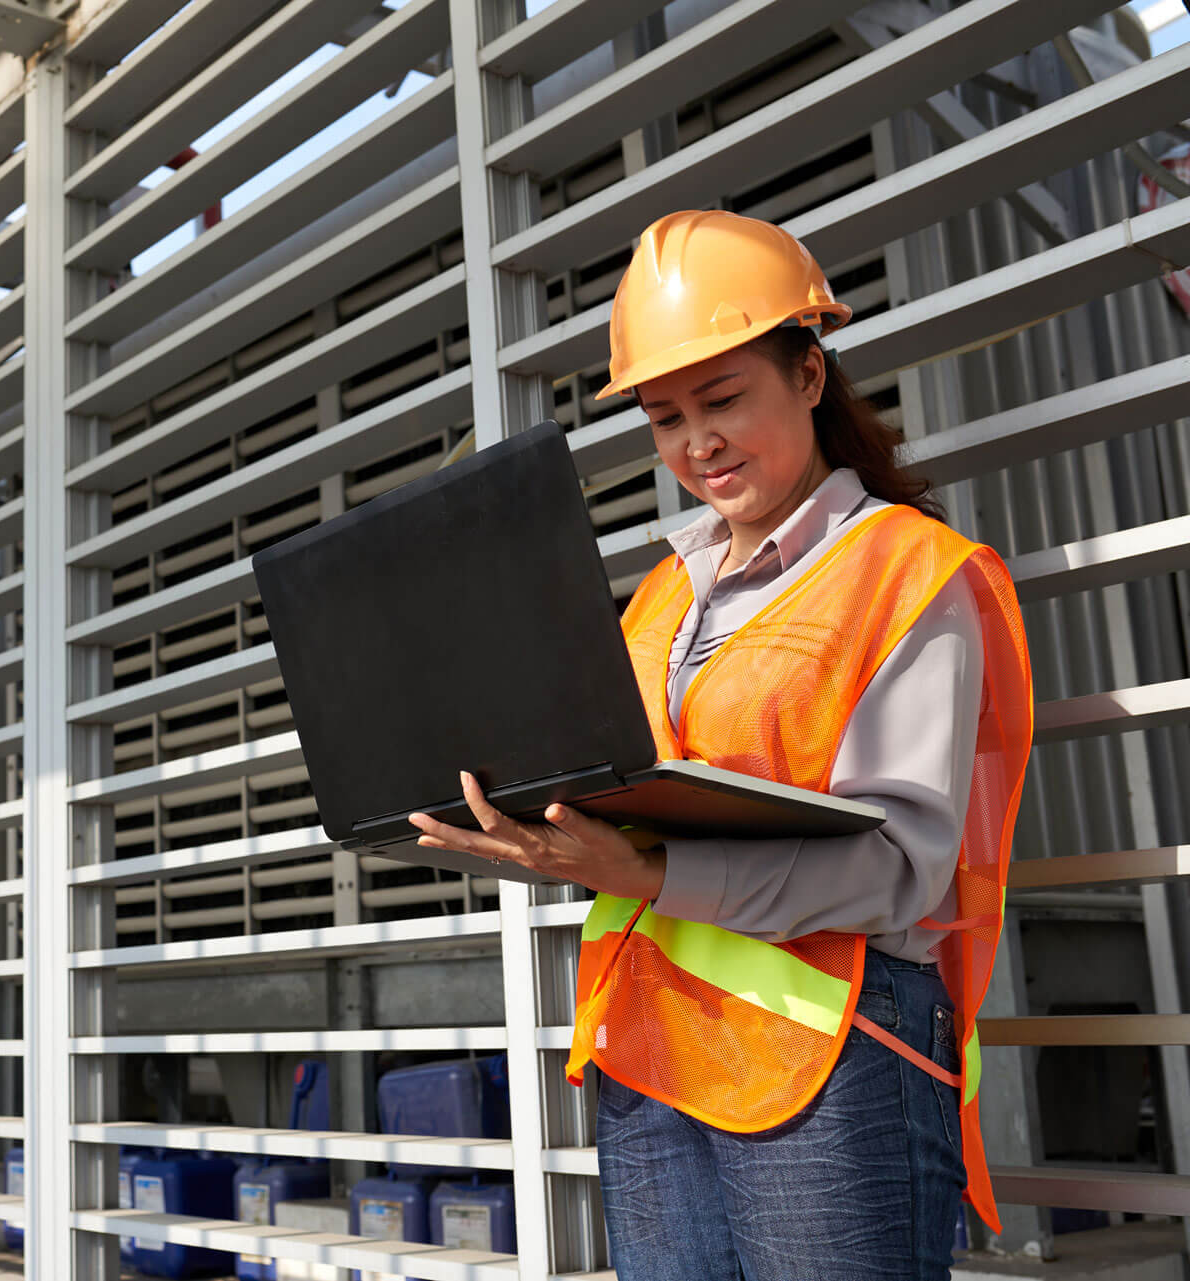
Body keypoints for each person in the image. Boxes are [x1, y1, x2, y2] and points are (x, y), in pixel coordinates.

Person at [406, 210, 1034, 1280]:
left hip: (833, 1055)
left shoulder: (910, 573)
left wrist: (649, 869)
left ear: (810, 375)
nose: (696, 441)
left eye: (724, 398)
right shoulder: (661, 595)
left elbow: (901, 870)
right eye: (664, 416)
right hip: (653, 1048)